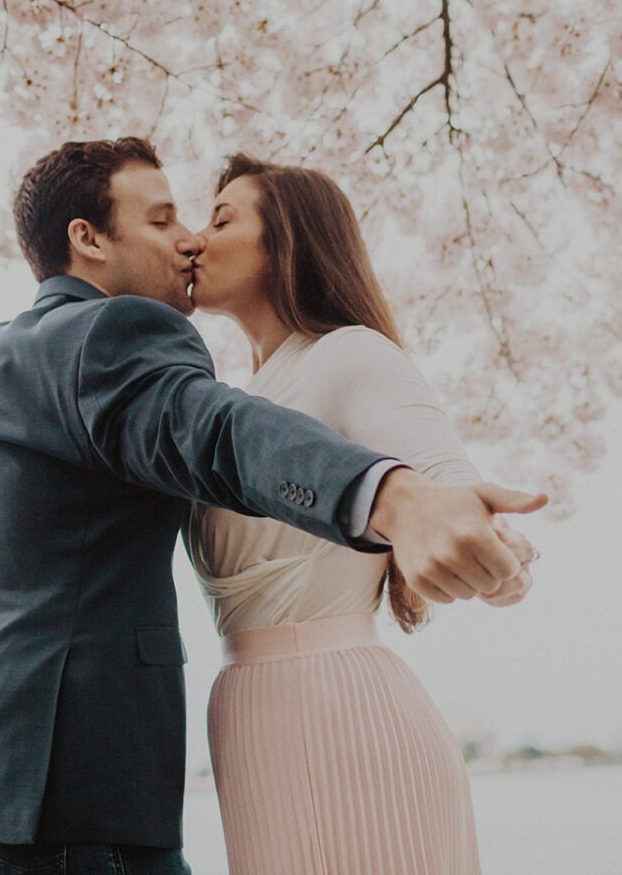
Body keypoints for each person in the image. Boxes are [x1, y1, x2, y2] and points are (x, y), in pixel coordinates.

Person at [0, 137, 545, 875]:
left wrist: (438, 508)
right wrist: (386, 492)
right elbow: (217, 433)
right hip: (75, 793)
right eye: (162, 220)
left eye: (203, 220)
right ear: (89, 239)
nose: (188, 239)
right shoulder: (115, 333)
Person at [186, 153, 539, 874]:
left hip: (341, 711)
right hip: (251, 716)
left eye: (221, 220)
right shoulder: (233, 408)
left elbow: (442, 477)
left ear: (285, 242)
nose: (194, 240)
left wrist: (491, 550)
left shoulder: (348, 354)